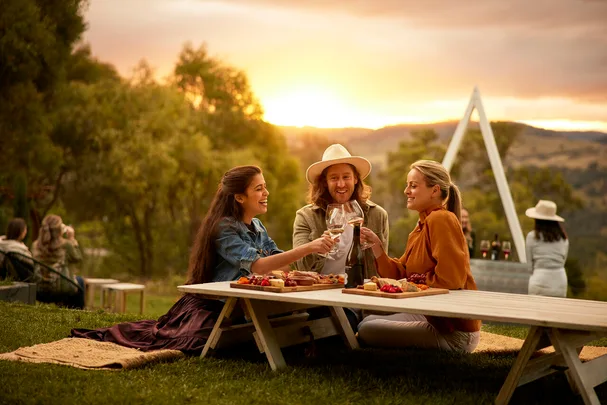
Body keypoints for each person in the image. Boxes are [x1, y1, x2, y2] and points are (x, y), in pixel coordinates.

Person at [71, 165, 334, 354]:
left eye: (265, 187)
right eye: (259, 188)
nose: (266, 193)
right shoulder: (223, 228)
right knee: (201, 342)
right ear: (239, 197)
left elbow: (278, 260)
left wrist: (303, 264)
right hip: (212, 307)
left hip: (242, 303)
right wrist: (308, 248)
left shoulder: (258, 226)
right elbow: (258, 266)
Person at [358, 160, 481, 353]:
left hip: (454, 332)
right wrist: (376, 246)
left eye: (413, 186)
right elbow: (400, 273)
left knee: (366, 330)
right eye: (407, 185)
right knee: (367, 321)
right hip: (430, 316)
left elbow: (450, 279)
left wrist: (411, 283)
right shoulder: (421, 225)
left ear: (435, 190)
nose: (406, 191)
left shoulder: (441, 219)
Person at [293, 144, 389, 278]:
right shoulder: (305, 217)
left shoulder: (378, 215)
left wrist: (375, 245)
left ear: (355, 179)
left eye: (346, 177)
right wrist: (319, 249)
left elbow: (384, 269)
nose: (341, 184)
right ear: (325, 182)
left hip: (361, 292)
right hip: (320, 292)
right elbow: (301, 266)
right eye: (334, 178)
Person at [31, 215, 85, 308]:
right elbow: (78, 258)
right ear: (59, 230)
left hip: (39, 290)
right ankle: (78, 312)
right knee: (80, 281)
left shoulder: (35, 245)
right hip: (61, 290)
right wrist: (72, 239)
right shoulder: (66, 245)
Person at [524, 200, 569, 297]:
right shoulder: (564, 239)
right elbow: (563, 261)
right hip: (560, 283)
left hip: (539, 281)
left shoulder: (532, 237)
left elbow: (529, 266)